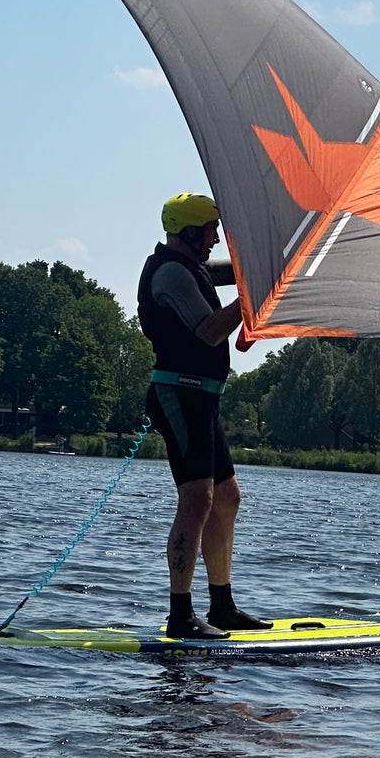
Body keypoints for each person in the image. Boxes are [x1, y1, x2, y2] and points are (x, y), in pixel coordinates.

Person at [139, 193, 272, 639]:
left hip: (203, 399)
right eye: (211, 231)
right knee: (197, 500)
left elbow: (232, 272)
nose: (216, 237)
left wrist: (273, 263)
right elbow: (211, 332)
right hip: (178, 396)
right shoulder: (172, 273)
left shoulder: (191, 266)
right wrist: (256, 295)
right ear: (190, 233)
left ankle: (222, 608)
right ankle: (180, 617)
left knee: (227, 498)